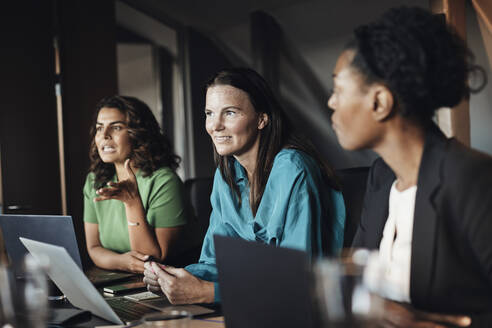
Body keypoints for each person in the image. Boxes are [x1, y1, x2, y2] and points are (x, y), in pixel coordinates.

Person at [327, 6, 492, 327]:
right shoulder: (380, 178)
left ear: (379, 102)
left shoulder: (472, 178)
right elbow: (359, 286)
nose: (331, 102)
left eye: (338, 90)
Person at [143, 67, 346, 304]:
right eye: (209, 113)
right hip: (247, 306)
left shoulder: (293, 168)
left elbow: (296, 281)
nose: (215, 125)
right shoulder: (225, 173)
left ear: (262, 119)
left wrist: (206, 292)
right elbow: (214, 262)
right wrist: (175, 278)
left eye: (230, 113)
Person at [83, 96, 189, 274]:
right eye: (99, 128)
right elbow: (93, 248)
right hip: (117, 278)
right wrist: (122, 262)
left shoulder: (164, 182)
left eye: (116, 127)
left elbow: (153, 259)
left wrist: (132, 202)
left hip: (161, 283)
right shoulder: (94, 181)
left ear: (138, 134)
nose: (104, 135)